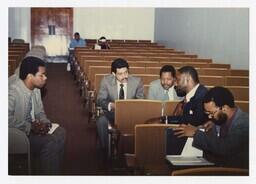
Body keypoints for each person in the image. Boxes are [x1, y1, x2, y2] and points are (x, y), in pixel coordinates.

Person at [8, 56, 66, 175]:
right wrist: (30, 127)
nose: (45, 77)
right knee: (50, 142)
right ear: (30, 76)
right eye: (41, 75)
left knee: (61, 132)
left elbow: (40, 112)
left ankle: (52, 169)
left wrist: (45, 123)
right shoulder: (13, 92)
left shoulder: (36, 89)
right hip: (18, 133)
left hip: (33, 127)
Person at [173, 87, 249, 168]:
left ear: (224, 108)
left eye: (211, 113)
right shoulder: (220, 120)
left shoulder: (245, 122)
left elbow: (225, 147)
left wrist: (195, 133)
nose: (209, 117)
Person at [96, 58, 144, 153]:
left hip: (131, 114)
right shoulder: (106, 81)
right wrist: (111, 105)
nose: (124, 76)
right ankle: (105, 152)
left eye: (126, 72)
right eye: (120, 74)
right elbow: (100, 100)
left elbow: (141, 101)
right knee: (101, 121)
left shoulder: (137, 81)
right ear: (114, 74)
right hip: (112, 113)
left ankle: (133, 152)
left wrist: (131, 107)